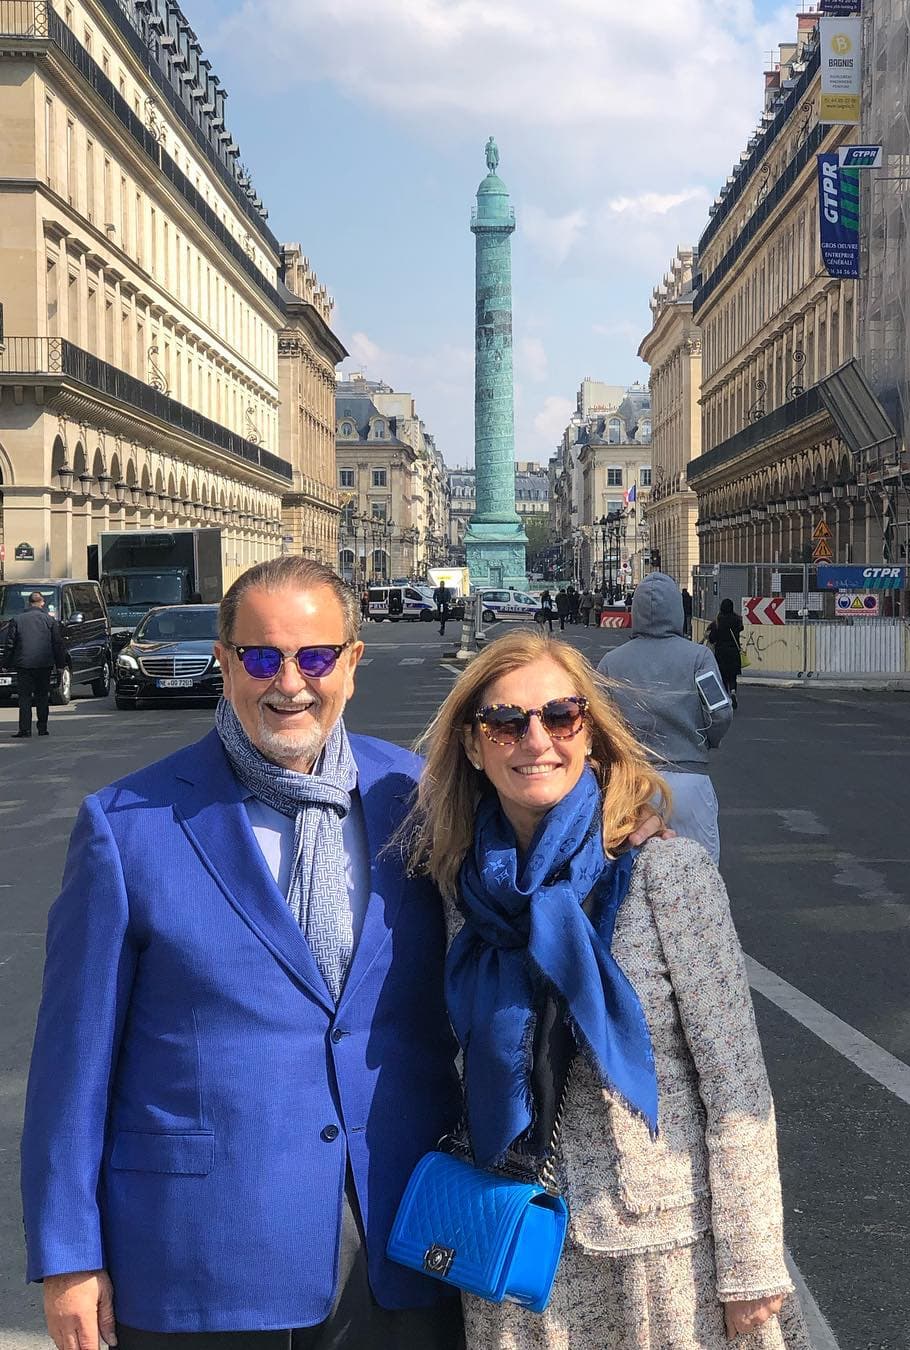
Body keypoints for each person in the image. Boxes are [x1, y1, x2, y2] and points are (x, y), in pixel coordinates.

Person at [21, 557, 465, 1350]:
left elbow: (531, 871)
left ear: (352, 665)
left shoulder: (419, 798)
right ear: (224, 664)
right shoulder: (127, 825)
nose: (289, 683)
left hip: (400, 1245)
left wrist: (632, 823)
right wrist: (68, 1258)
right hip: (200, 1258)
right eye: (261, 657)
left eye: (315, 657)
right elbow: (72, 1066)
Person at [401, 631, 810, 1350]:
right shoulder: (451, 885)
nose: (537, 741)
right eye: (506, 723)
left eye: (560, 717)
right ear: (473, 745)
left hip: (661, 1253)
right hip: (510, 1242)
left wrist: (751, 1268)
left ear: (589, 733)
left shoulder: (666, 874)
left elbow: (736, 1083)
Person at [599, 572, 731, 863]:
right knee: (699, 877)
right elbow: (720, 710)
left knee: (633, 878)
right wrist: (705, 740)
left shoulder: (611, 662)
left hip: (633, 784)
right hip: (689, 779)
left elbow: (600, 724)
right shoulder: (699, 658)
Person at [3, 591, 65, 739]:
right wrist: (60, 664)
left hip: (24, 665)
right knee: (42, 696)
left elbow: (10, 644)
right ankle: (42, 728)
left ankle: (25, 730)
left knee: (24, 697)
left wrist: (5, 664)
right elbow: (57, 644)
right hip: (44, 664)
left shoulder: (17, 620)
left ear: (28, 603)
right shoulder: (49, 621)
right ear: (41, 603)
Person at [707, 597, 745, 709]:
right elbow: (740, 628)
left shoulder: (718, 621)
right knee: (732, 676)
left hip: (721, 652)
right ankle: (733, 691)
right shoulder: (737, 620)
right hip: (733, 651)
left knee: (723, 676)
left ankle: (727, 698)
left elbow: (712, 638)